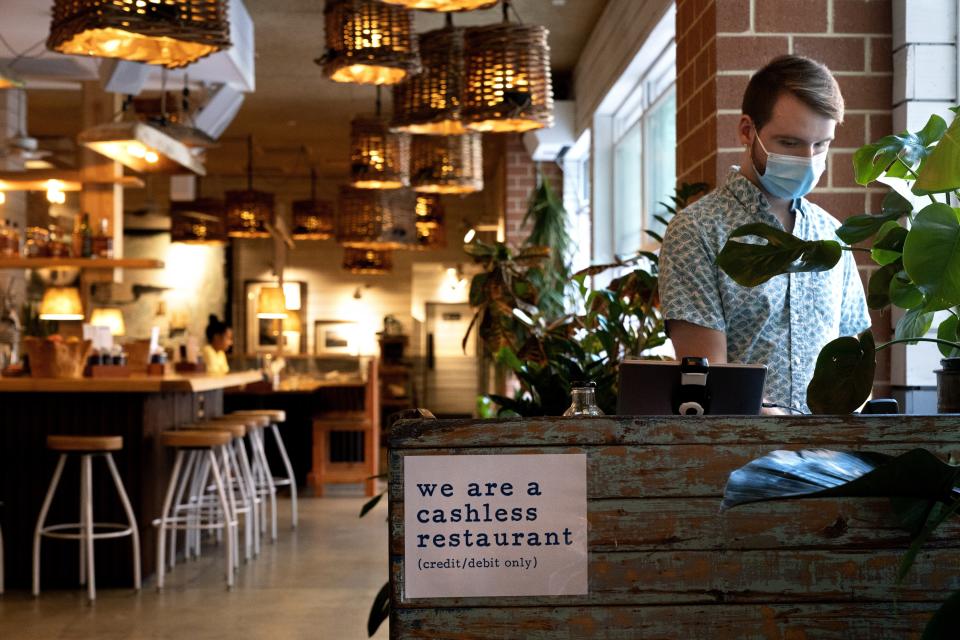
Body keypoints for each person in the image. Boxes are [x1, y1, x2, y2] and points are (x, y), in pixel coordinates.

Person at [659, 55, 871, 414]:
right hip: (742, 459)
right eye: (790, 143)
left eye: (821, 145)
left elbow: (856, 361)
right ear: (746, 131)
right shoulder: (697, 232)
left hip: (831, 459)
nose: (808, 158)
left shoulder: (832, 234)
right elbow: (709, 380)